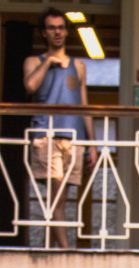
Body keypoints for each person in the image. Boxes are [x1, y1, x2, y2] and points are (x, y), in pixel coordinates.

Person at [23, 7, 97, 250]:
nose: (57, 32)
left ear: (66, 32)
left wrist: (92, 145)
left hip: (73, 138)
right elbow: (30, 86)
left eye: (61, 28)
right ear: (44, 33)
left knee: (62, 198)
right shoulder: (34, 61)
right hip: (46, 135)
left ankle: (52, 251)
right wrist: (48, 62)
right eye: (52, 28)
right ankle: (66, 251)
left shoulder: (79, 66)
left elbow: (84, 106)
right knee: (56, 196)